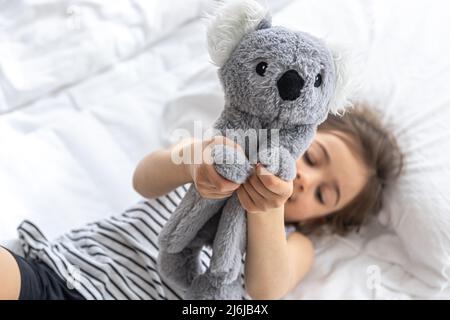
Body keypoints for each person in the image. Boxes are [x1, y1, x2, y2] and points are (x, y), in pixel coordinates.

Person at [0, 103, 403, 300]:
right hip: (63, 276)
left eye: (322, 195)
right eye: (312, 158)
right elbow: (143, 179)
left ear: (323, 218)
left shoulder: (293, 242)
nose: (305, 179)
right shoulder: (219, 155)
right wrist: (194, 160)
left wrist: (267, 208)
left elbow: (267, 290)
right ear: (294, 132)